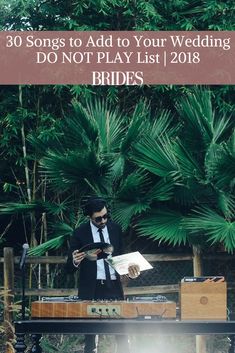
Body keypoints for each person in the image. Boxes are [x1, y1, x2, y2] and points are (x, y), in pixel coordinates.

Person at [66, 196, 140, 353]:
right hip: (91, 288)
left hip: (113, 286)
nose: (103, 220)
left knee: (121, 334)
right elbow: (69, 269)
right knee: (90, 337)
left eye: (106, 216)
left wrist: (131, 272)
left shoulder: (115, 229)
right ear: (89, 217)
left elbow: (121, 259)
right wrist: (75, 260)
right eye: (98, 218)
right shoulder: (80, 233)